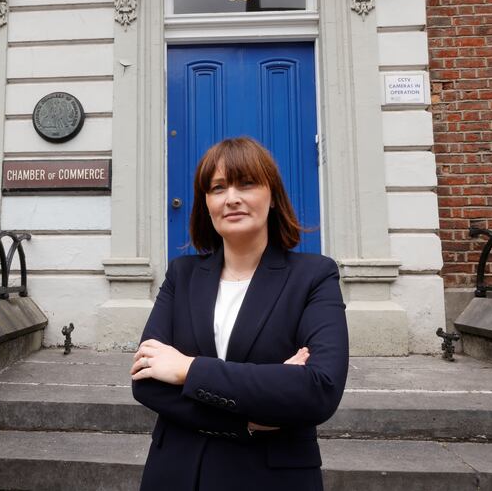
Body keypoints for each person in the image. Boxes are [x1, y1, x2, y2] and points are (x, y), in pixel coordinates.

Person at [131, 137, 349, 491]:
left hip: (271, 477)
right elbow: (146, 382)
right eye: (218, 188)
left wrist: (187, 369)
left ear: (273, 196)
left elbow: (318, 390)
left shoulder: (314, 276)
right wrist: (249, 416)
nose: (231, 197)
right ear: (206, 203)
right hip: (178, 473)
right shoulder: (181, 275)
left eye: (246, 183)